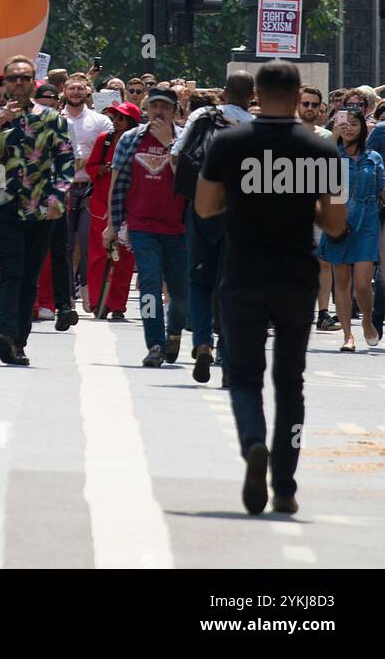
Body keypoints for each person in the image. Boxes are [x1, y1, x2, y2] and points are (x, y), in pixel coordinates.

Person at [196, 60, 348, 516]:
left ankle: (253, 443)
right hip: (297, 277)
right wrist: (309, 212)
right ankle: (284, 482)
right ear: (300, 91)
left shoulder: (228, 142)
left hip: (243, 273)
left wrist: (238, 199)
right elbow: (336, 224)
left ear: (256, 95)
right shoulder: (322, 150)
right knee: (290, 382)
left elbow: (204, 207)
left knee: (243, 377)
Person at [0, 55, 74, 366]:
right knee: (11, 271)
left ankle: (19, 341)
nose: (18, 83)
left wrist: (58, 197)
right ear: (4, 82)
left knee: (30, 277)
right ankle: (6, 331)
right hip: (5, 204)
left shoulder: (53, 118)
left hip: (42, 208)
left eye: (24, 78)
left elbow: (65, 161)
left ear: (33, 82)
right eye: (13, 78)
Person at [171, 70, 255, 384]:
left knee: (199, 280)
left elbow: (176, 157)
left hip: (203, 207)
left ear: (223, 94)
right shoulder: (257, 128)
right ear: (251, 97)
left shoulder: (201, 117)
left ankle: (202, 341)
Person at [103, 87, 186, 367]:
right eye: (154, 106)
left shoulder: (185, 138)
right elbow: (118, 182)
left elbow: (190, 181)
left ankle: (174, 332)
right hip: (142, 225)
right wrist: (112, 225)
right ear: (146, 109)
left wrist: (168, 145)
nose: (159, 112)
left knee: (180, 292)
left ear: (175, 111)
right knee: (149, 283)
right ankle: (155, 344)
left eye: (165, 107)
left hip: (179, 228)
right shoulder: (130, 139)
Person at [318, 106, 384, 352]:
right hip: (338, 219)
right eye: (343, 124)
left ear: (362, 128)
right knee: (341, 282)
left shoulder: (373, 158)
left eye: (354, 124)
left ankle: (367, 320)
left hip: (367, 221)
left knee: (363, 283)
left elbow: (382, 191)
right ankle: (348, 335)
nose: (348, 128)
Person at [62, 73, 112, 315]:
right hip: (62, 190)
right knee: (65, 246)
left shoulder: (100, 120)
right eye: (71, 88)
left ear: (88, 92)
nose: (75, 92)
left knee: (86, 241)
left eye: (80, 88)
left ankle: (87, 291)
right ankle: (66, 295)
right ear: (64, 91)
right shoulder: (55, 119)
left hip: (90, 190)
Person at [85, 101, 140, 318]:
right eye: (114, 117)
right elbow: (91, 167)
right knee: (99, 255)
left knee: (124, 258)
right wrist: (101, 169)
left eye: (121, 118)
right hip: (101, 205)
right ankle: (100, 302)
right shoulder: (104, 140)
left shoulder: (138, 141)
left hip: (129, 205)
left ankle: (118, 305)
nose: (116, 121)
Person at [295, 86, 340, 333]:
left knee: (323, 262)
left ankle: (323, 313)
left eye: (314, 105)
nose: (310, 109)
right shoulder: (284, 134)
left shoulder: (326, 137)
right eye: (306, 104)